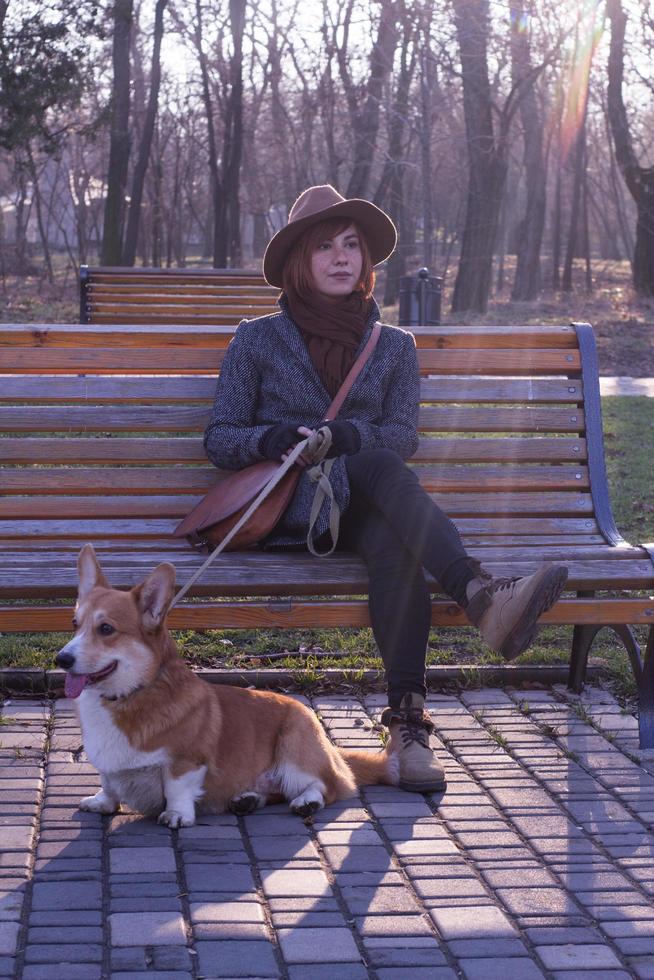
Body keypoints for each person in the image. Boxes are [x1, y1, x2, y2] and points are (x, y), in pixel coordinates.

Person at [204, 185, 568, 794]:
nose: (343, 256)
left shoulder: (394, 345)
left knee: (392, 530)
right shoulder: (257, 339)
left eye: (352, 245)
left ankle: (407, 723)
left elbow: (403, 435)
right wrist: (274, 439)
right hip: (293, 511)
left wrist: (348, 433)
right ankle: (479, 595)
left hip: (367, 510)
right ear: (300, 260)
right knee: (377, 464)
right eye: (325, 246)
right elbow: (220, 438)